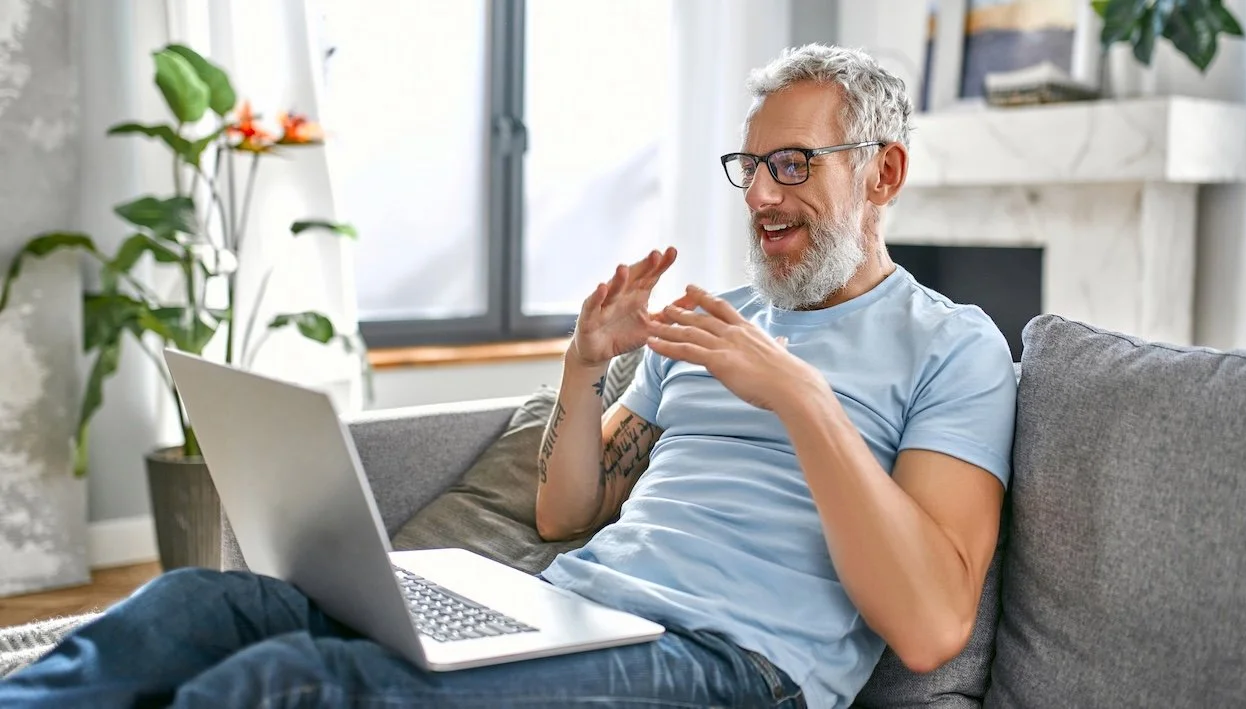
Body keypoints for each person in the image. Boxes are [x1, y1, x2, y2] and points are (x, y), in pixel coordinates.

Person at [0, 44, 1016, 709]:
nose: (758, 194)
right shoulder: (717, 323)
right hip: (573, 605)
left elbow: (930, 625)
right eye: (748, 167)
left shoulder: (953, 348)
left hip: (729, 665)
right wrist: (585, 368)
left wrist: (798, 395)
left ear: (882, 172)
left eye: (792, 164)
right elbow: (564, 512)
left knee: (291, 685)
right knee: (199, 608)